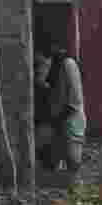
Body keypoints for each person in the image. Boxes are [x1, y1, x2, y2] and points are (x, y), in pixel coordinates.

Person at [34, 44, 86, 173]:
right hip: (54, 121)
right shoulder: (43, 77)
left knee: (72, 163)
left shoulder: (67, 65)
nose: (37, 70)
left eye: (39, 65)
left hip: (70, 121)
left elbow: (74, 103)